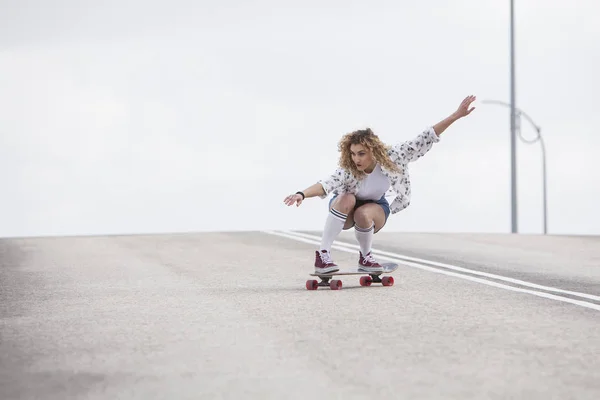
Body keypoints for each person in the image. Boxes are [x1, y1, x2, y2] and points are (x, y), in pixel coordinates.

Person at [283, 95, 476, 274]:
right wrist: (301, 194)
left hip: (376, 209)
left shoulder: (395, 156)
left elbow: (425, 138)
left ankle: (366, 257)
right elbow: (326, 184)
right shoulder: (349, 170)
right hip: (346, 210)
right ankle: (323, 256)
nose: (356, 159)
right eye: (352, 153)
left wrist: (456, 115)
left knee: (364, 212)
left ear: (373, 151)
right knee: (346, 197)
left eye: (361, 153)